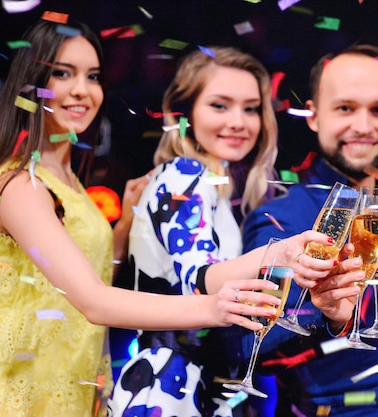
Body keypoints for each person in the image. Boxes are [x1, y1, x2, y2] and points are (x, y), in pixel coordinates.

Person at [0, 19, 337, 417]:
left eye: (93, 76)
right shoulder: (19, 186)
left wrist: (124, 231)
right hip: (22, 385)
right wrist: (274, 258)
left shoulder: (73, 186)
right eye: (62, 73)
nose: (81, 89)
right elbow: (95, 300)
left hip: (74, 382)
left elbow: (91, 274)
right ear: (30, 84)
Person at [242, 44, 378, 417]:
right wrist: (329, 316)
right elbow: (249, 346)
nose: (364, 126)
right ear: (313, 115)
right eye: (345, 108)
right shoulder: (282, 219)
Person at [106, 45, 289, 417]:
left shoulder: (213, 184)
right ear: (184, 113)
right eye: (220, 105)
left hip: (202, 385)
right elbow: (202, 279)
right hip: (170, 387)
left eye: (251, 108)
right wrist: (282, 255)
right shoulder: (183, 177)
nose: (239, 121)